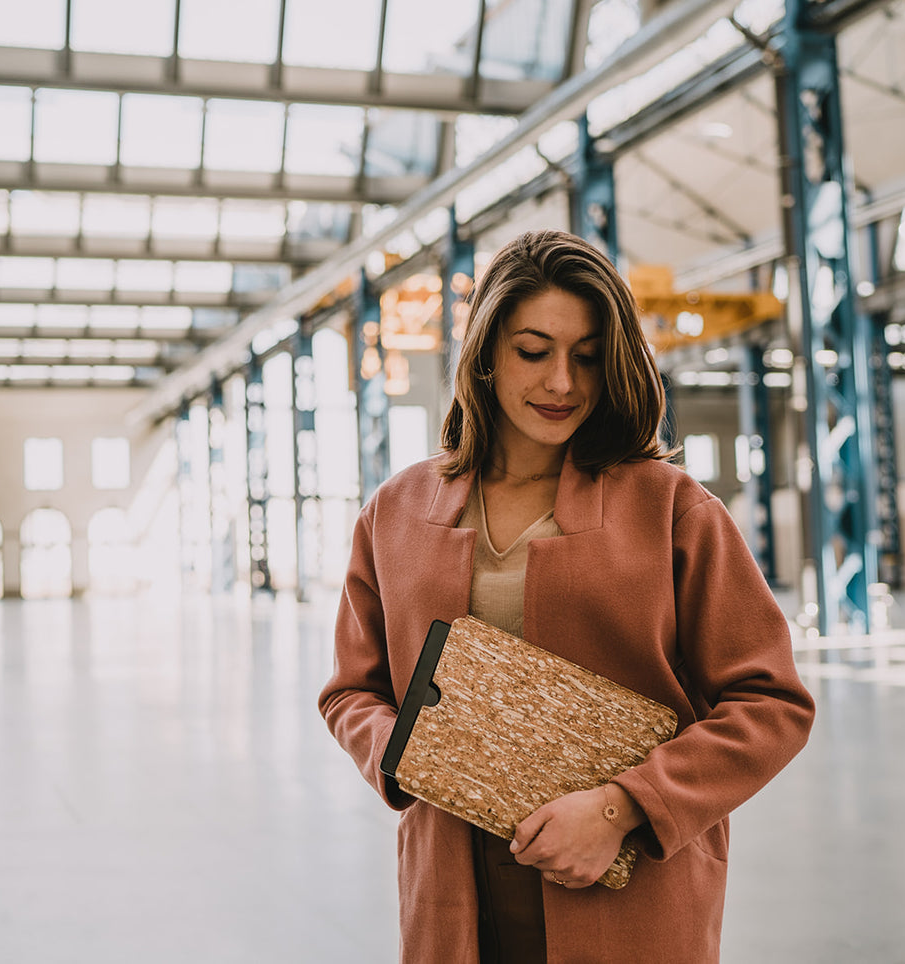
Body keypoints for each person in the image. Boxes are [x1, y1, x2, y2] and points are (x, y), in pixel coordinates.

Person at [319, 229, 815, 963]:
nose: (562, 383)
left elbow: (770, 702)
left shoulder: (672, 510)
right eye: (532, 351)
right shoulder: (394, 512)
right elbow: (350, 692)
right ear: (485, 353)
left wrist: (624, 808)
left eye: (586, 357)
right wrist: (411, 754)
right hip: (454, 899)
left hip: (628, 898)